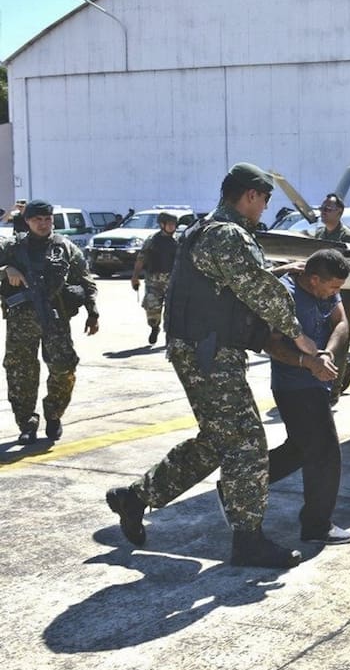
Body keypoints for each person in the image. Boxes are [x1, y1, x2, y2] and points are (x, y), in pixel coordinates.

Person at [105, 163, 320, 569]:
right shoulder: (226, 234)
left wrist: (277, 271)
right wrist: (298, 334)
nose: (265, 206)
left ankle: (134, 498)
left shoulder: (206, 229)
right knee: (247, 443)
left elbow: (229, 281)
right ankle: (248, 540)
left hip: (204, 349)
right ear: (250, 195)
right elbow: (255, 289)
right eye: (265, 198)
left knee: (217, 441)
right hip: (209, 353)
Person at [262, 249, 350, 544]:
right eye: (333, 287)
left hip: (319, 381)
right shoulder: (285, 294)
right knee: (326, 453)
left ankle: (239, 483)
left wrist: (327, 353)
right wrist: (307, 362)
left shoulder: (327, 287)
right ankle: (316, 525)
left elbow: (341, 322)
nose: (335, 292)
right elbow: (271, 344)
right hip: (294, 386)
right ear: (314, 279)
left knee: (300, 449)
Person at [0, 200, 99, 443]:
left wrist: (93, 311)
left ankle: (54, 413)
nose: (43, 224)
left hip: (55, 318)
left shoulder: (64, 247)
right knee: (20, 372)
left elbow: (86, 280)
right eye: (37, 219)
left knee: (64, 368)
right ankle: (27, 422)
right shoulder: (12, 247)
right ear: (27, 221)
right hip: (21, 321)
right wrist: (6, 269)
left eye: (47, 219)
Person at [313, 193, 350, 402]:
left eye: (328, 209)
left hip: (344, 296)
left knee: (340, 341)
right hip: (321, 295)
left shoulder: (349, 238)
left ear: (340, 212)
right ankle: (346, 369)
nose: (323, 212)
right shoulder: (319, 234)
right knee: (322, 339)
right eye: (322, 208)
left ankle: (333, 390)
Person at [130, 212, 179, 344]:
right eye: (169, 224)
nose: (172, 227)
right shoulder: (152, 241)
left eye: (174, 224)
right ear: (162, 225)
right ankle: (154, 327)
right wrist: (135, 277)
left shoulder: (178, 241)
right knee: (152, 308)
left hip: (173, 281)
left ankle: (170, 335)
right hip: (154, 281)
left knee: (174, 310)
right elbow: (141, 259)